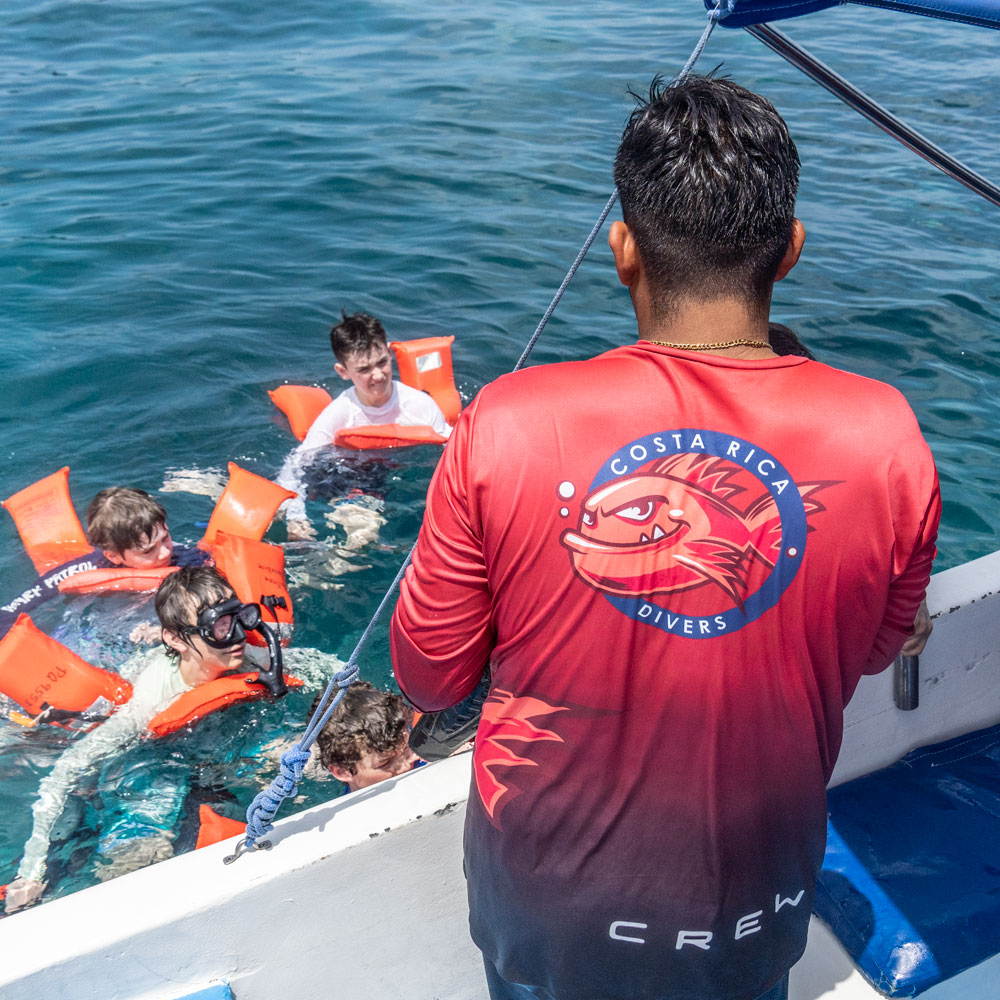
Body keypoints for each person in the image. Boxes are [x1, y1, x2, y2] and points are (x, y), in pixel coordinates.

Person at [390, 74, 940, 1000]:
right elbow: (874, 648)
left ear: (622, 250)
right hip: (757, 898)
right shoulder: (886, 435)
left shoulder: (509, 420)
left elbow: (429, 674)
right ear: (790, 251)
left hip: (548, 904)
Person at [4, 566, 265, 913]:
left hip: (201, 745)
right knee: (137, 861)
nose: (237, 635)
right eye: (218, 626)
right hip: (132, 749)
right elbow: (62, 775)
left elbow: (315, 668)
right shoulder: (148, 704)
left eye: (237, 617)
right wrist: (31, 870)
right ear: (175, 639)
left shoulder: (250, 656)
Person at [277, 312, 452, 540]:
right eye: (364, 369)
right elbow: (296, 464)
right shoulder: (340, 413)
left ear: (389, 352)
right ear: (343, 372)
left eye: (382, 362)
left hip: (399, 476)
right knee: (289, 515)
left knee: (362, 531)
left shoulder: (420, 406)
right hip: (344, 474)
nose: (378, 375)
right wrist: (296, 516)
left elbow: (455, 452)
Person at [311, 681, 420, 792]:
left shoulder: (423, 760)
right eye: (385, 763)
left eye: (406, 750)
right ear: (343, 772)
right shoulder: (352, 808)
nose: (405, 767)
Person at [86, 486, 208, 570]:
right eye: (148, 551)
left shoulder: (191, 561)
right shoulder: (87, 571)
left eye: (165, 538)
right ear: (113, 556)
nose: (165, 553)